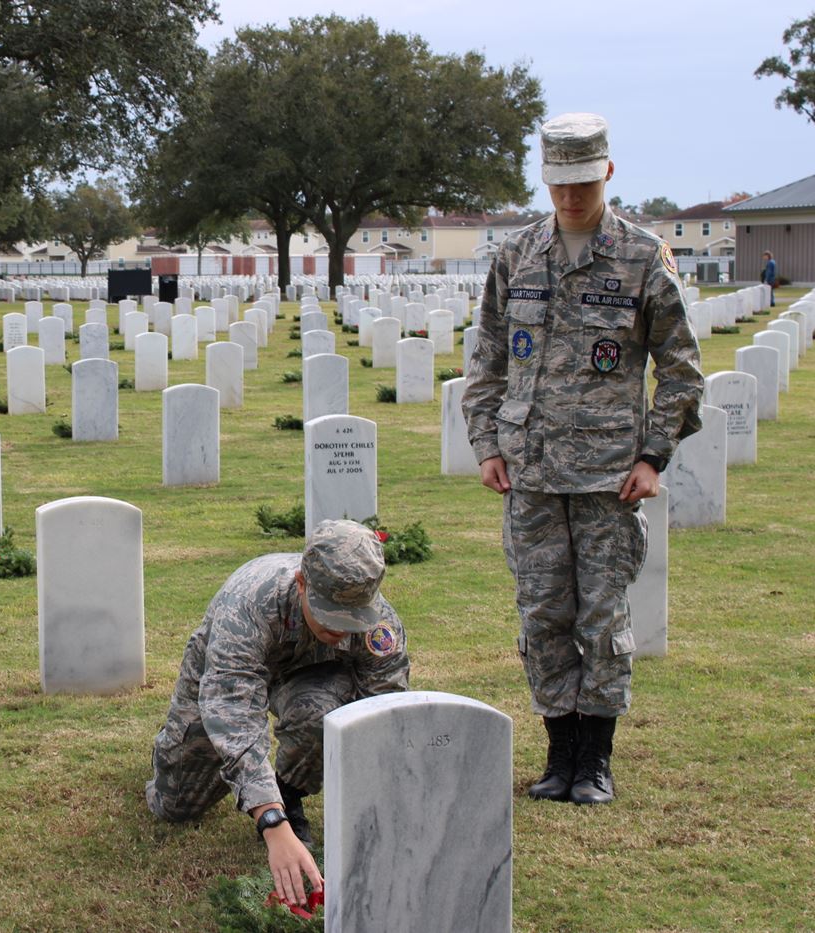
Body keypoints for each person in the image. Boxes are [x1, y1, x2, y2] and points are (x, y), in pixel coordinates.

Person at [462, 113, 703, 806]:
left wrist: (654, 455)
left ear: (608, 173)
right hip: (531, 472)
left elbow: (681, 370)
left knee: (602, 618)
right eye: (559, 182)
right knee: (542, 615)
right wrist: (486, 444)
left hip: (609, 478)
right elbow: (487, 358)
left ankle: (594, 760)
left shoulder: (641, 255)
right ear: (546, 178)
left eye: (583, 182)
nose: (570, 197)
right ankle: (558, 754)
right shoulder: (518, 254)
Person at [145, 520, 410, 908]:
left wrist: (383, 811)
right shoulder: (248, 606)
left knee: (321, 717)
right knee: (176, 807)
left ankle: (288, 792)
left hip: (309, 676)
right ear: (302, 583)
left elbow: (383, 713)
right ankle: (172, 750)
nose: (342, 629)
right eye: (331, 615)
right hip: (226, 673)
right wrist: (269, 820)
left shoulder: (380, 625)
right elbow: (233, 709)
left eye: (354, 617)